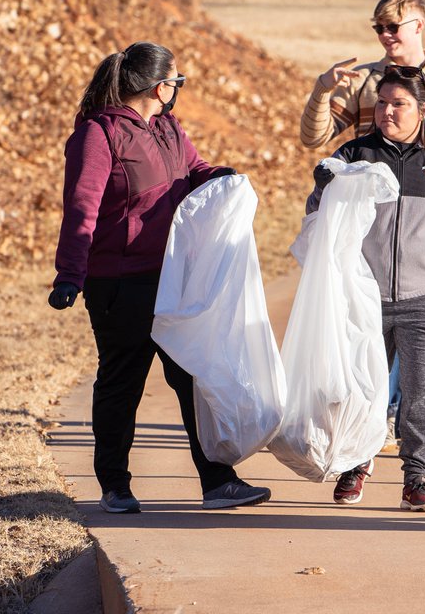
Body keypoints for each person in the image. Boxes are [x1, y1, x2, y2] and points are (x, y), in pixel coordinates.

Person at [48, 42, 272, 514]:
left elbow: (192, 170)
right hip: (119, 283)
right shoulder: (98, 133)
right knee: (122, 383)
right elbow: (82, 206)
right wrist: (70, 273)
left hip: (172, 277)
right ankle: (114, 486)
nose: (178, 87)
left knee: (190, 375)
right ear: (158, 85)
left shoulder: (169, 127)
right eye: (177, 80)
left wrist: (222, 178)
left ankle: (217, 482)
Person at [307, 65, 425, 512]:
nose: (388, 112)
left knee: (421, 391)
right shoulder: (353, 156)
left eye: (400, 104)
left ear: (423, 110)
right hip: (363, 297)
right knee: (363, 392)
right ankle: (356, 464)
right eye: (383, 103)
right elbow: (317, 221)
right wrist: (324, 192)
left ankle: (417, 478)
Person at [300, 0, 425, 180]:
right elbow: (313, 138)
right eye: (379, 29)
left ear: (418, 25)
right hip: (369, 201)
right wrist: (322, 89)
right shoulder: (361, 78)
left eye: (392, 27)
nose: (385, 35)